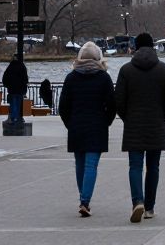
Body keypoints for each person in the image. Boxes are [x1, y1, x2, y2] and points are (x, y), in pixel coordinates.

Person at [114, 32, 165, 223]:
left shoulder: (126, 70)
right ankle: (149, 208)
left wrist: (127, 118)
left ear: (136, 47)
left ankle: (137, 202)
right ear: (152, 46)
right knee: (153, 167)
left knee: (135, 166)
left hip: (133, 125)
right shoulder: (164, 69)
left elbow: (119, 100)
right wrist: (162, 116)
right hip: (155, 124)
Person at [58, 42, 116, 217]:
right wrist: (106, 122)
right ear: (99, 58)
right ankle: (85, 201)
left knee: (80, 164)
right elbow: (112, 106)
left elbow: (63, 107)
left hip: (76, 125)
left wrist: (70, 123)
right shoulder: (104, 78)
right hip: (97, 125)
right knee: (91, 165)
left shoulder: (71, 78)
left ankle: (83, 197)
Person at [2, 55, 29, 125]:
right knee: (18, 103)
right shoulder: (22, 67)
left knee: (13, 103)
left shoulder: (10, 67)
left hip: (12, 89)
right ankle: (17, 117)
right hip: (20, 90)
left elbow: (5, 78)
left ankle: (13, 118)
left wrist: (7, 85)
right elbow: (25, 79)